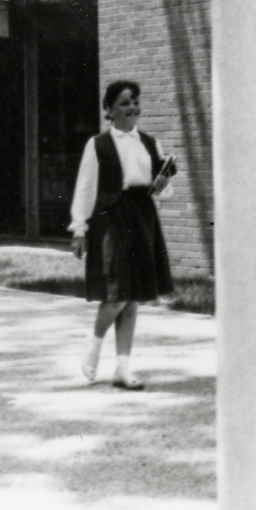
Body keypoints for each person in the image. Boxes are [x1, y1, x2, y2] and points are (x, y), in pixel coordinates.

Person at [71, 78, 176, 388]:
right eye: (125, 103)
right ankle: (93, 343)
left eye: (135, 102)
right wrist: (79, 228)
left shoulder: (150, 142)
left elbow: (164, 188)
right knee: (118, 292)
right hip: (111, 218)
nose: (132, 107)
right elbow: (86, 186)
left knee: (133, 298)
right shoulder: (98, 144)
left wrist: (162, 185)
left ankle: (122, 368)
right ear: (110, 110)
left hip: (142, 217)